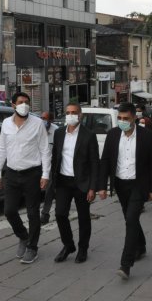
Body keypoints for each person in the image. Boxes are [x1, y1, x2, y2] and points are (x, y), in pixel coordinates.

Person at [98, 103, 152, 280]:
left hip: (138, 185)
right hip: (120, 184)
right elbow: (105, 160)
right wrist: (102, 186)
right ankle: (141, 246)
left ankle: (126, 264)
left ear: (134, 117)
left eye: (126, 118)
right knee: (130, 218)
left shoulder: (146, 136)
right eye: (119, 118)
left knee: (131, 219)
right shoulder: (112, 134)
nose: (122, 121)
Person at [0, 92, 50, 264]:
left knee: (33, 213)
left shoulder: (37, 123)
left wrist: (45, 174)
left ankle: (32, 247)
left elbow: (45, 150)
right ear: (13, 105)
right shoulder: (6, 123)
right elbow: (1, 149)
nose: (24, 105)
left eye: (26, 102)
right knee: (9, 211)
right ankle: (23, 236)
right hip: (12, 173)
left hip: (32, 173)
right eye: (20, 102)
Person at [50, 103, 100, 264]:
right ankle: (68, 245)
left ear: (80, 115)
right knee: (60, 214)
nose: (70, 115)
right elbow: (55, 157)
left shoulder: (89, 135)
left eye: (74, 112)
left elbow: (94, 163)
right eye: (68, 112)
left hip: (82, 182)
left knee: (83, 217)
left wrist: (92, 188)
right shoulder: (58, 133)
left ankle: (83, 248)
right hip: (63, 181)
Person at [40, 111, 59, 224]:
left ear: (51, 120)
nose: (43, 120)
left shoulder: (56, 131)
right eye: (41, 118)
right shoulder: (37, 129)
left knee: (49, 189)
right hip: (38, 164)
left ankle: (45, 213)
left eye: (45, 118)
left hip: (51, 165)